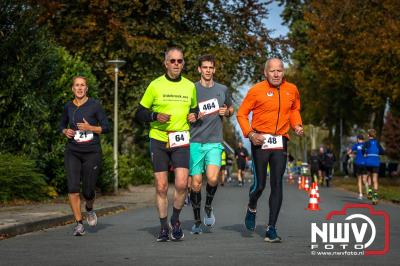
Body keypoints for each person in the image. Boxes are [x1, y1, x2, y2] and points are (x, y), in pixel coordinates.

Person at [237, 58, 303, 243]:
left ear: (283, 72)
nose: (276, 74)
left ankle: (271, 228)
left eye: (279, 71)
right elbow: (242, 113)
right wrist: (250, 134)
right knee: (260, 185)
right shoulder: (256, 90)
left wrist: (296, 125)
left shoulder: (292, 89)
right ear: (265, 73)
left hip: (280, 141)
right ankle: (252, 205)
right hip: (260, 140)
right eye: (272, 71)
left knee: (277, 183)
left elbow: (294, 110)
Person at [135, 47, 198, 242]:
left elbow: (194, 109)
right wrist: (154, 115)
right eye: (173, 61)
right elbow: (139, 113)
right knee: (161, 186)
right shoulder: (155, 85)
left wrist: (194, 115)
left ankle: (176, 220)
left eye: (180, 61)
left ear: (183, 64)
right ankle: (164, 227)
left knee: (181, 184)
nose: (176, 64)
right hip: (159, 138)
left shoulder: (190, 86)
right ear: (166, 63)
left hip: (180, 139)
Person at [189, 54, 234, 234]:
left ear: (214, 70)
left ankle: (208, 206)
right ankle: (197, 221)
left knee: (213, 178)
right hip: (195, 141)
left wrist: (227, 112)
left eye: (210, 67)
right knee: (196, 183)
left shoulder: (222, 89)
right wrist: (190, 116)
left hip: (215, 140)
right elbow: (185, 112)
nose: (208, 70)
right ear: (199, 69)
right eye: (204, 67)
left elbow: (230, 108)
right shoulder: (191, 89)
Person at [60, 76, 110, 236]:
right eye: (77, 85)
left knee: (88, 191)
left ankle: (89, 208)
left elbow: (106, 127)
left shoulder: (95, 106)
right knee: (73, 188)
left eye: (82, 85)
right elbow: (61, 124)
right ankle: (79, 223)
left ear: (86, 88)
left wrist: (91, 127)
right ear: (72, 89)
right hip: (73, 151)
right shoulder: (68, 106)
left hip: (92, 152)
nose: (80, 88)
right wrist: (64, 131)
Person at [364, 129, 384, 204]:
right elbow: (382, 152)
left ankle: (369, 191)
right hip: (376, 162)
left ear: (368, 135)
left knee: (368, 176)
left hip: (368, 162)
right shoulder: (377, 143)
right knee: (375, 179)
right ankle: (375, 197)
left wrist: (366, 153)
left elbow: (363, 151)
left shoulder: (366, 143)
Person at [351, 134, 367, 199]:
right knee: (364, 180)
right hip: (365, 164)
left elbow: (349, 152)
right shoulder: (366, 145)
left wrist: (352, 155)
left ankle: (360, 195)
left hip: (358, 164)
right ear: (363, 139)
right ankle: (368, 192)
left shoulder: (356, 145)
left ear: (358, 139)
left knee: (359, 180)